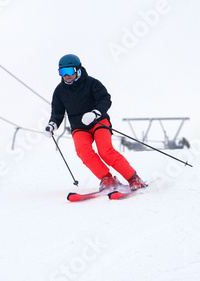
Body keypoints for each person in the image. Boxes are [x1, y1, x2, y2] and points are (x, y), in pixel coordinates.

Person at [43, 54, 146, 192]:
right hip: (79, 127)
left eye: (69, 71)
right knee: (83, 151)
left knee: (105, 151)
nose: (66, 75)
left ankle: (134, 178)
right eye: (62, 72)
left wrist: (95, 113)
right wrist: (52, 125)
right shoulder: (59, 91)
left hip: (98, 122)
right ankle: (107, 178)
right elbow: (57, 112)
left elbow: (105, 99)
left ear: (78, 69)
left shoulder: (92, 83)